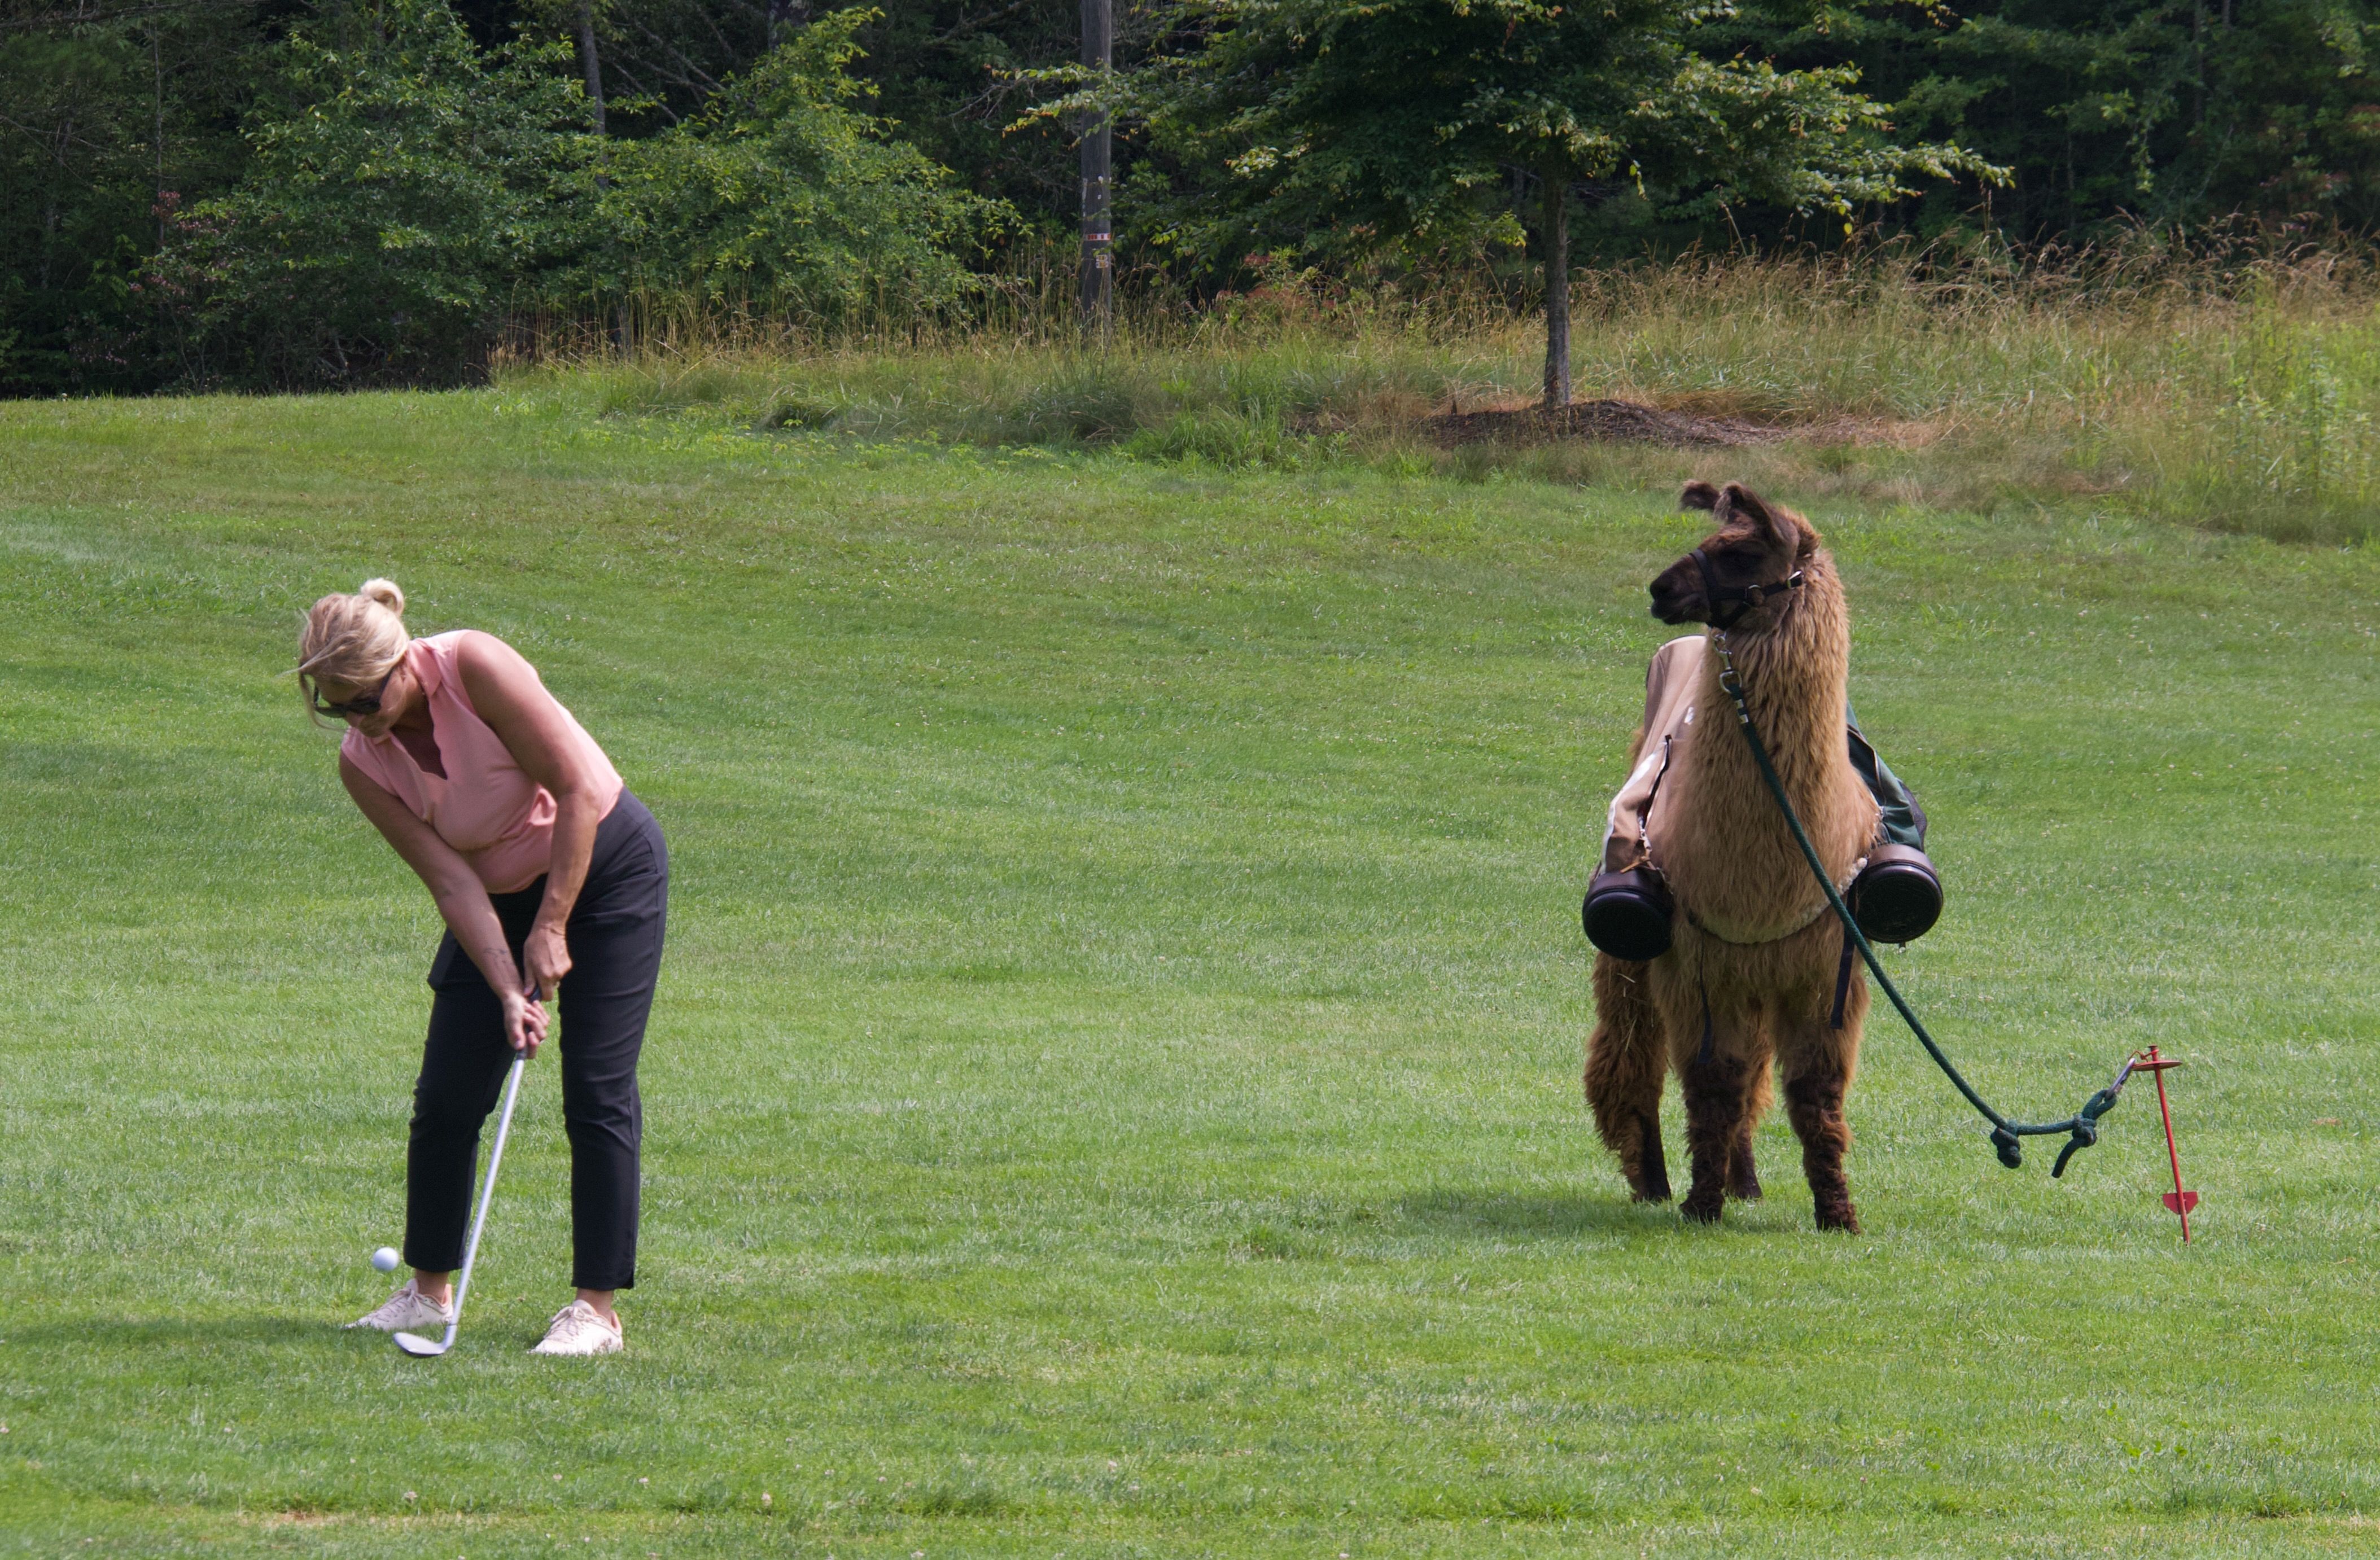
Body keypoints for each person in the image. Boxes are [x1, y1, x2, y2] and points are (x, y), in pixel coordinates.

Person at [299, 579, 666, 1357]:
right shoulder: (363, 764)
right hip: (494, 895)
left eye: (366, 700)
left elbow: (573, 790)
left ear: (403, 665)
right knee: (446, 1097)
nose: (359, 722)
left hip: (603, 867)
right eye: (339, 709)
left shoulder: (476, 667)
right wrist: (507, 985)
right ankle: (428, 1293)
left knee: (596, 1089)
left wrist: (555, 923)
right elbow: (451, 881)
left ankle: (595, 1311)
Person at [1583, 633, 1940, 964]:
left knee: (1840, 742)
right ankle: (1628, 860)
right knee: (1661, 765)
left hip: (1788, 646)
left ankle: (1894, 843)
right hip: (1725, 653)